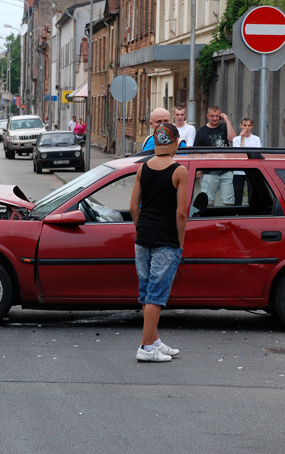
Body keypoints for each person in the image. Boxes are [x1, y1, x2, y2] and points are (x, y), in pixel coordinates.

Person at [129, 123, 189, 362]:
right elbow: (181, 213)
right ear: (174, 142)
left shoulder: (143, 168)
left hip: (143, 238)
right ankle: (145, 348)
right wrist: (180, 241)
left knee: (146, 292)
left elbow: (134, 207)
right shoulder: (179, 171)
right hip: (166, 239)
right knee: (156, 295)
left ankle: (153, 340)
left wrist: (141, 227)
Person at [194, 106, 236, 206]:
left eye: (217, 116)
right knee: (208, 202)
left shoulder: (224, 127)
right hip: (209, 171)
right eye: (212, 116)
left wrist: (227, 121)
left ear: (220, 116)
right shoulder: (202, 131)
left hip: (225, 170)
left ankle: (228, 220)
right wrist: (198, 169)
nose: (214, 118)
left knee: (229, 201)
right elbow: (196, 151)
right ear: (208, 116)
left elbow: (233, 139)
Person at [232, 117, 261, 205]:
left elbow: (257, 154)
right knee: (238, 195)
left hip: (251, 169)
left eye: (249, 125)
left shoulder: (256, 139)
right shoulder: (236, 139)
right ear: (241, 126)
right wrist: (243, 139)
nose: (247, 128)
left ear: (252, 126)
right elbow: (240, 154)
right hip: (239, 170)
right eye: (245, 125)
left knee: (252, 195)